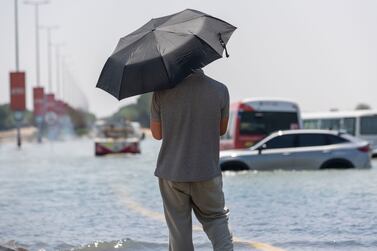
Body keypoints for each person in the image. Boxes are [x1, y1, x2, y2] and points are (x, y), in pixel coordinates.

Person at [150, 68, 233, 251]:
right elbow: (221, 130)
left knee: (179, 229)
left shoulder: (161, 91)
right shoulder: (220, 90)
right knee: (216, 219)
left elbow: (157, 134)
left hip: (171, 172)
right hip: (207, 171)